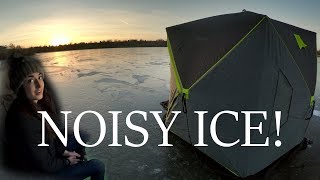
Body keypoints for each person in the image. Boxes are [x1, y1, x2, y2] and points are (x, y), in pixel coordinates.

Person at [3, 54, 105, 179]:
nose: (39, 85)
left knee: (81, 135)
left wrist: (65, 152)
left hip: (50, 154)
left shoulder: (37, 104)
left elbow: (51, 137)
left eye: (40, 77)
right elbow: (45, 164)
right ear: (20, 87)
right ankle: (76, 166)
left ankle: (79, 162)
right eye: (30, 80)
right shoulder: (24, 120)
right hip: (45, 173)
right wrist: (67, 161)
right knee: (97, 166)